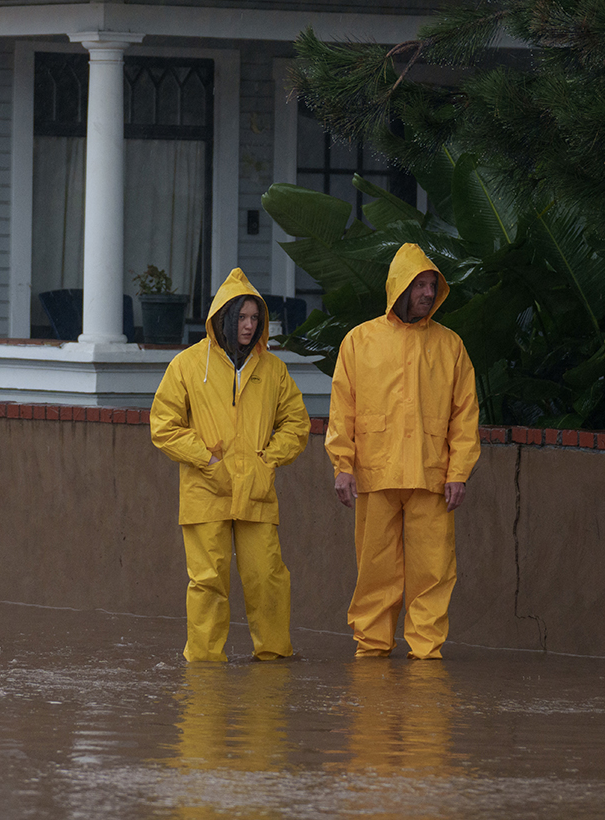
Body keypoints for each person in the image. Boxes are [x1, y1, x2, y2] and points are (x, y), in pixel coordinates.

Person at [149, 268, 311, 662]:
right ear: (223, 318)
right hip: (206, 492)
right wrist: (206, 459)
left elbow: (297, 423)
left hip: (255, 492)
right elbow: (163, 425)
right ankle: (204, 665)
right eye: (241, 317)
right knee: (207, 583)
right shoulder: (187, 366)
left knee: (268, 578)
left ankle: (273, 658)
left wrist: (267, 460)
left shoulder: (273, 370)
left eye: (255, 318)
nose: (249, 325)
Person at [326, 243, 479, 660]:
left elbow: (465, 416)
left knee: (433, 572)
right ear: (399, 288)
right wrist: (343, 466)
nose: (428, 293)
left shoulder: (451, 346)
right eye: (420, 285)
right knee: (375, 571)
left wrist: (459, 472)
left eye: (432, 285)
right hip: (376, 475)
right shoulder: (360, 341)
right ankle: (372, 649)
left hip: (432, 477)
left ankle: (426, 654)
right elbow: (343, 410)